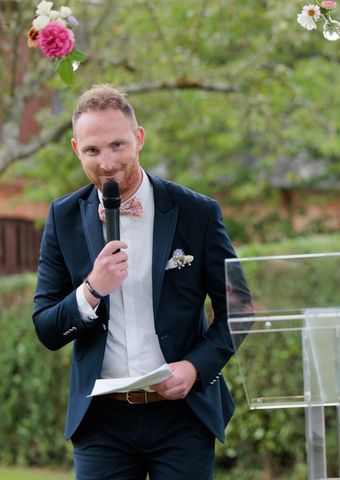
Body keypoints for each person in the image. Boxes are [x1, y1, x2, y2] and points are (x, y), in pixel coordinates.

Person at [33, 84, 241, 479]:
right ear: (77, 150)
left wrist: (196, 368)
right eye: (93, 150)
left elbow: (239, 308)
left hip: (183, 416)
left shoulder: (197, 212)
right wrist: (91, 290)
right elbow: (46, 327)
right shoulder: (63, 218)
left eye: (117, 145)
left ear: (139, 139)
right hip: (101, 421)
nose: (107, 162)